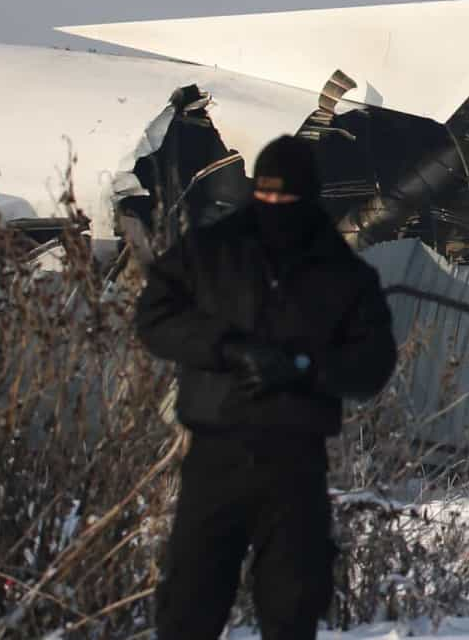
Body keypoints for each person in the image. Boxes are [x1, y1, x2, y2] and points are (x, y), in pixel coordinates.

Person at [135, 135, 398, 640]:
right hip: (216, 450)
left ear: (309, 197)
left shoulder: (343, 274)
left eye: (288, 199)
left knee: (292, 603)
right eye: (268, 196)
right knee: (191, 601)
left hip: (295, 458)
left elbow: (371, 366)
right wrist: (228, 349)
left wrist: (305, 368)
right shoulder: (210, 252)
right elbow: (155, 319)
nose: (276, 208)